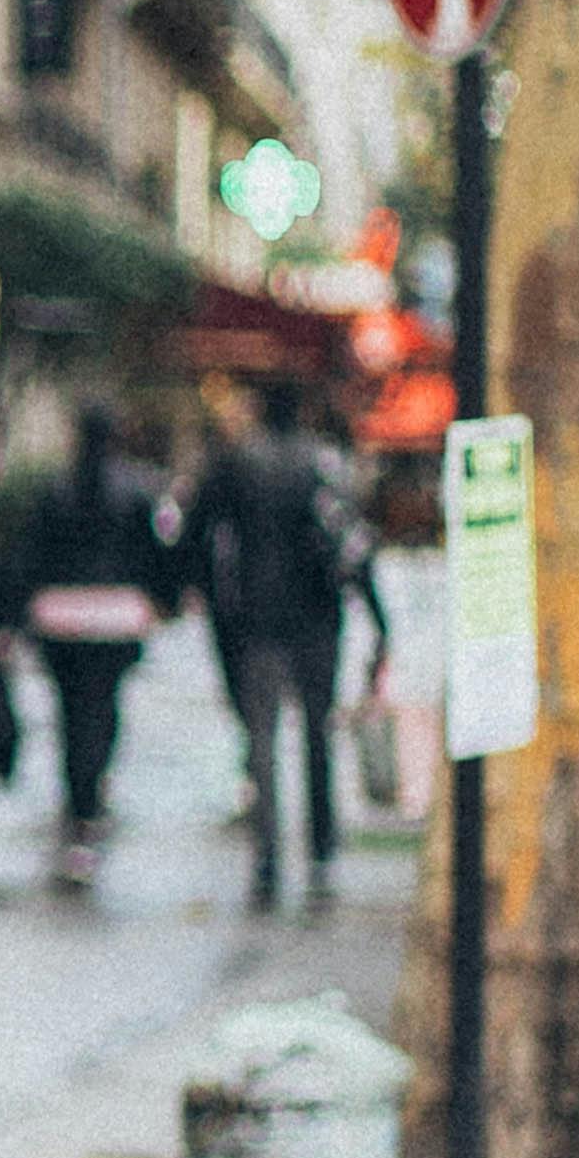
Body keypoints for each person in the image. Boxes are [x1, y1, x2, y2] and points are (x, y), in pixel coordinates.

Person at [183, 378, 386, 910]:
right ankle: (321, 853)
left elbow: (196, 533)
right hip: (318, 617)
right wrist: (381, 623)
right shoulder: (324, 463)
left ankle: (268, 858)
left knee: (263, 741)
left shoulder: (235, 462)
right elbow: (354, 546)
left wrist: (206, 596)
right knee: (318, 736)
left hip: (255, 618)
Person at [0, 400, 176, 888]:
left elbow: (27, 554)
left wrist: (13, 613)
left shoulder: (55, 490)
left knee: (71, 711)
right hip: (114, 620)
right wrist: (158, 602)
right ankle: (90, 793)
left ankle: (80, 794)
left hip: (61, 619)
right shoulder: (136, 491)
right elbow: (155, 557)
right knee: (102, 707)